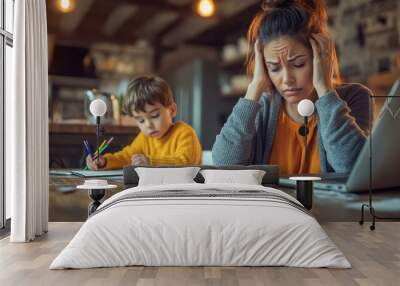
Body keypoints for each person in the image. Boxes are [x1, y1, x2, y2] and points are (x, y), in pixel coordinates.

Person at [212, 0, 372, 174]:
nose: (287, 79)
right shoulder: (262, 107)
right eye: (274, 68)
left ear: (320, 57)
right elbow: (224, 164)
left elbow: (354, 169)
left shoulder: (355, 97)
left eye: (298, 64)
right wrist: (255, 86)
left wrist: (324, 89)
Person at [86, 75, 202, 170]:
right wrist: (105, 161)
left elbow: (185, 161)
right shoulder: (145, 138)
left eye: (154, 115)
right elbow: (127, 157)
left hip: (184, 193)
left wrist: (150, 161)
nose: (148, 125)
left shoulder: (184, 132)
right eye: (141, 120)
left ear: (172, 110)